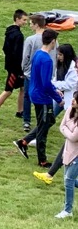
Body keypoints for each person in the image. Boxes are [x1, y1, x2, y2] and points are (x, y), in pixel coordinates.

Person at [15, 29, 65, 167]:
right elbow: (46, 83)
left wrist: (55, 90)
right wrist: (58, 98)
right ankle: (42, 160)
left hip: (35, 93)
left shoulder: (38, 54)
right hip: (42, 98)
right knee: (43, 128)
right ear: (53, 41)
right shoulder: (47, 60)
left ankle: (24, 141)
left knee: (49, 121)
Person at [35, 44, 78, 185]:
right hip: (65, 100)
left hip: (67, 99)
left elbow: (70, 84)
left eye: (60, 54)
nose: (58, 57)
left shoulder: (73, 68)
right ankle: (50, 174)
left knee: (69, 142)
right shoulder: (61, 66)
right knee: (66, 145)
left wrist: (65, 129)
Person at [0, 9, 29, 125]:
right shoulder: (18, 35)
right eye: (24, 20)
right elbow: (17, 55)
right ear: (17, 19)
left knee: (23, 87)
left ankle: (20, 111)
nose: (25, 22)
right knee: (8, 91)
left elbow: (5, 49)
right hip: (15, 69)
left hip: (11, 65)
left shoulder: (10, 31)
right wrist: (19, 71)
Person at [22, 14, 50, 131]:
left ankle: (27, 121)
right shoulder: (51, 39)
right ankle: (42, 120)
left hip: (31, 74)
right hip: (46, 74)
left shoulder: (30, 39)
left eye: (31, 23)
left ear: (36, 25)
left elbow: (25, 57)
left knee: (27, 96)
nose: (29, 25)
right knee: (43, 97)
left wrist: (24, 70)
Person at [54, 91, 78, 219]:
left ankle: (68, 210)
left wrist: (66, 131)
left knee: (68, 180)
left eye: (75, 99)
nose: (73, 100)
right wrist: (68, 131)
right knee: (69, 180)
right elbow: (61, 126)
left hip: (77, 154)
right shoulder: (69, 109)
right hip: (68, 151)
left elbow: (74, 137)